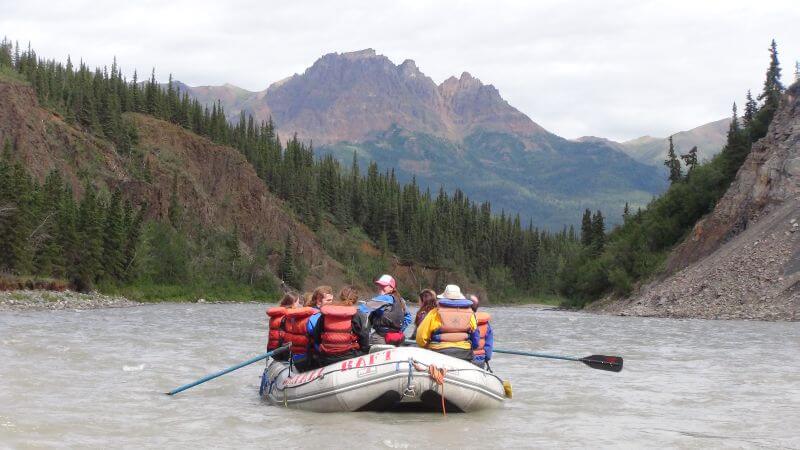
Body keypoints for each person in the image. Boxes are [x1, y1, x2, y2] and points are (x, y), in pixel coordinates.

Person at [415, 284, 478, 361]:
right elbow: (475, 339)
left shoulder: (434, 313)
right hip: (464, 353)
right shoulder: (470, 314)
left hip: (439, 353)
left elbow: (420, 338)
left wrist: (426, 346)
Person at [310, 286, 370, 366]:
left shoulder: (326, 314)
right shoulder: (358, 315)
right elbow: (364, 340)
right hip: (349, 357)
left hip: (326, 358)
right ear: (356, 300)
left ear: (340, 297)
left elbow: (316, 338)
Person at [360, 274, 412, 346]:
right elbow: (408, 318)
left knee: (367, 342)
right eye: (379, 285)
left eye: (383, 286)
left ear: (391, 288)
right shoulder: (401, 300)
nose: (380, 287)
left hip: (381, 337)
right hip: (398, 338)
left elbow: (362, 309)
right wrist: (398, 330)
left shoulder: (384, 298)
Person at [469, 294, 493, 369]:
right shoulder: (486, 324)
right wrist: (486, 358)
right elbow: (488, 346)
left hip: (465, 358)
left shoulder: (463, 320)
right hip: (480, 360)